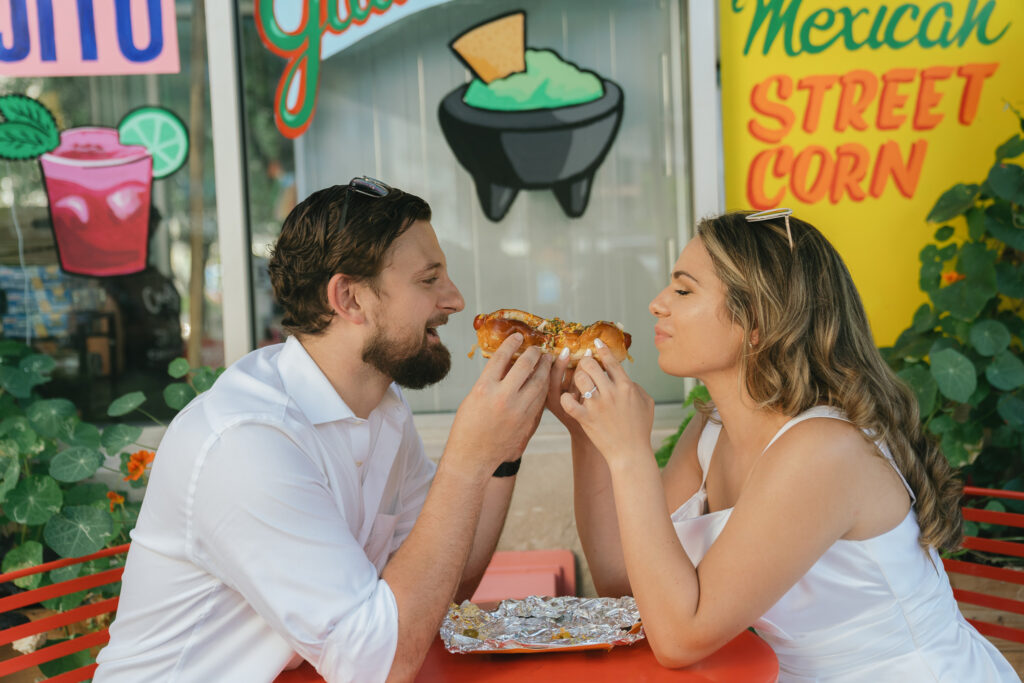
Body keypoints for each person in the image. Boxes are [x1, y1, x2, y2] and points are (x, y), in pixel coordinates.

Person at [94, 178, 553, 682]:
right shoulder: (248, 443)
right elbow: (378, 665)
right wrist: (467, 459)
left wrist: (501, 453)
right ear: (350, 298)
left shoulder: (383, 410)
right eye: (429, 280)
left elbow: (442, 588)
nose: (456, 300)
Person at [546, 210, 1017, 681]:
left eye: (683, 290)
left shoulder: (823, 450)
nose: (657, 304)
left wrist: (630, 455)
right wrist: (585, 430)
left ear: (760, 322)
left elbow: (678, 640)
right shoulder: (710, 431)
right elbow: (622, 581)